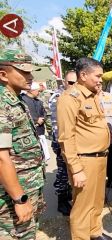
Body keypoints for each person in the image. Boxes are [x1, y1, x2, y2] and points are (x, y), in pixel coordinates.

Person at [57, 57, 112, 240]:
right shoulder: (69, 98)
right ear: (83, 75)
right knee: (82, 207)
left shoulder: (93, 95)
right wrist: (76, 168)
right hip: (84, 161)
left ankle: (94, 232)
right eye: (97, 76)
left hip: (100, 158)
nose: (100, 80)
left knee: (97, 202)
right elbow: (66, 137)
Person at [0, 48, 45, 239]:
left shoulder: (16, 100)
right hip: (16, 192)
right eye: (24, 71)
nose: (30, 76)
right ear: (3, 75)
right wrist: (20, 199)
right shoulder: (2, 104)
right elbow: (1, 157)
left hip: (29, 183)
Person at [49, 70, 77, 216]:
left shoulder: (75, 96)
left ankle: (67, 195)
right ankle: (61, 200)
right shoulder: (58, 97)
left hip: (74, 141)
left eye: (76, 83)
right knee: (63, 171)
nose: (74, 86)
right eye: (71, 83)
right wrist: (63, 146)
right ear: (65, 82)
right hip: (62, 142)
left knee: (71, 171)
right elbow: (57, 126)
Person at [22, 82, 51, 162]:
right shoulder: (23, 100)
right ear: (32, 90)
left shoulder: (38, 101)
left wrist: (42, 119)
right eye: (38, 91)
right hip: (30, 132)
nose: (39, 93)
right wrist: (35, 120)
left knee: (43, 153)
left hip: (40, 131)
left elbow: (45, 112)